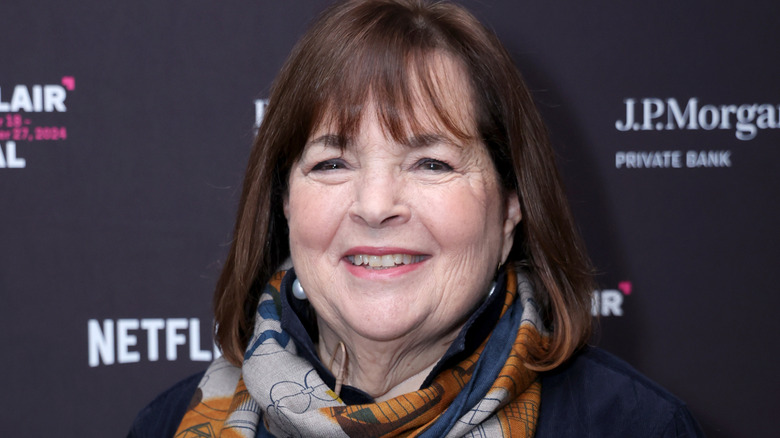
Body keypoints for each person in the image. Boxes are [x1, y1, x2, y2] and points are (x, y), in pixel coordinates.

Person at [129, 0, 704, 436]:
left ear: (510, 206)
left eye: (431, 162)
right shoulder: (168, 424)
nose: (377, 206)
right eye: (332, 162)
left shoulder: (634, 425)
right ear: (284, 203)